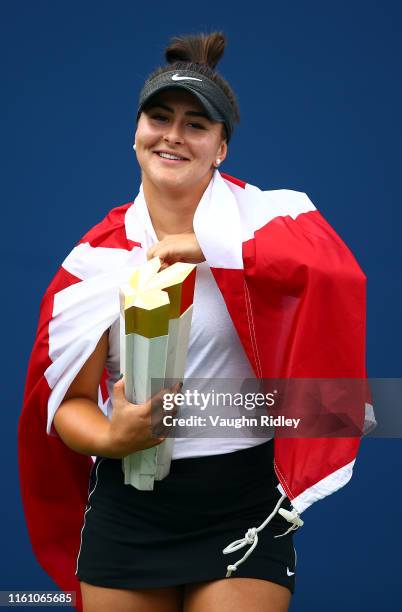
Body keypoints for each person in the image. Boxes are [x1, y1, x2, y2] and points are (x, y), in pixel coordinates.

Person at [18, 32, 369, 612]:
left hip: (243, 502)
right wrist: (112, 435)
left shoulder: (275, 221)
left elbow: (338, 276)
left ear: (221, 147)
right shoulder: (94, 263)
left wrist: (217, 247)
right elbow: (66, 405)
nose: (173, 135)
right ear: (137, 132)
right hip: (130, 505)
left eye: (196, 124)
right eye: (159, 118)